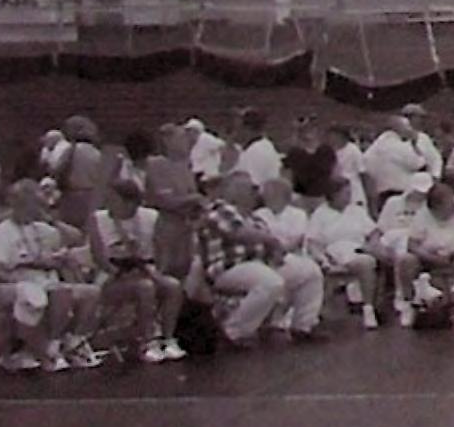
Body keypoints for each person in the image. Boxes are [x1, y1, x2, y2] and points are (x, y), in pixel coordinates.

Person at [194, 172, 326, 347]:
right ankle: (234, 332)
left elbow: (270, 244)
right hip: (229, 267)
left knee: (308, 271)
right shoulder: (219, 210)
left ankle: (303, 326)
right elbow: (239, 233)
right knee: (270, 281)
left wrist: (276, 252)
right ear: (233, 190)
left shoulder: (255, 218)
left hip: (260, 264)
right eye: (250, 188)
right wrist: (270, 241)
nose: (255, 192)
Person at [0, 179, 102, 372]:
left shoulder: (39, 228)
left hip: (47, 278)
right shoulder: (3, 231)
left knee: (91, 292)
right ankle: (51, 349)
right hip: (24, 281)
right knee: (59, 293)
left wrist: (51, 220)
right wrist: (29, 268)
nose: (34, 208)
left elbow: (76, 237)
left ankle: (72, 342)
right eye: (31, 203)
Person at [86, 179, 186, 363]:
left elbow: (163, 249)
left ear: (129, 202)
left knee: (173, 286)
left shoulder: (151, 217)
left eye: (114, 199)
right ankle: (147, 341)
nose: (109, 203)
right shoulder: (98, 220)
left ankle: (168, 339)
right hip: (114, 272)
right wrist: (118, 273)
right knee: (144, 287)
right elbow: (99, 257)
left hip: (144, 266)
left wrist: (159, 271)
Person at [307, 178, 383, 329]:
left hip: (358, 249)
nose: (348, 196)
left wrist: (372, 244)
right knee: (365, 262)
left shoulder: (357, 211)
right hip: (333, 252)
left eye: (349, 193)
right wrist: (322, 259)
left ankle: (369, 309)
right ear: (333, 194)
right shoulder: (320, 214)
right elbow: (313, 242)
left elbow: (374, 231)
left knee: (372, 260)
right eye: (345, 193)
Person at [406, 182, 454, 327]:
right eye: (449, 204)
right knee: (406, 259)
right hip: (428, 258)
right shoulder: (422, 215)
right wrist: (429, 256)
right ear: (436, 206)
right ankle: (409, 303)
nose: (453, 206)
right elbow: (412, 245)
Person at [144, 124, 204, 280]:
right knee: (165, 270)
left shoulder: (186, 165)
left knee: (186, 269)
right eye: (182, 138)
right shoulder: (156, 164)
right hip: (167, 226)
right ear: (168, 141)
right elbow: (165, 200)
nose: (187, 142)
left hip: (187, 227)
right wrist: (194, 199)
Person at [377, 172, 434, 327]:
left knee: (406, 247)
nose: (420, 194)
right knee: (402, 241)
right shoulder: (393, 203)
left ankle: (405, 294)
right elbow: (382, 228)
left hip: (418, 242)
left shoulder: (429, 206)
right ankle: (406, 292)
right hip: (392, 239)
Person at [55, 115, 107, 231]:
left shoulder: (71, 151)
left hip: (71, 196)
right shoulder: (98, 153)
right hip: (92, 195)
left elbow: (58, 169)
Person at [364, 115, 429, 207]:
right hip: (399, 192)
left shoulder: (375, 146)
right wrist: (415, 144)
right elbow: (418, 163)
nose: (410, 129)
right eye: (407, 126)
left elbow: (366, 165)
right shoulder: (399, 146)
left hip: (380, 193)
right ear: (399, 128)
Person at [282, 116, 337, 211]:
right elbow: (287, 175)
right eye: (305, 129)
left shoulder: (326, 152)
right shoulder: (295, 153)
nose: (309, 132)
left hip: (321, 197)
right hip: (300, 198)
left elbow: (332, 174)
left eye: (312, 128)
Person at [232, 108, 283, 188]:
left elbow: (252, 186)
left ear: (247, 127)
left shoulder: (258, 151)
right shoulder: (256, 147)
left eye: (238, 126)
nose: (235, 131)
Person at [327, 124, 369, 209]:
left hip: (354, 191)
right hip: (337, 192)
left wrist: (368, 193)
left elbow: (362, 172)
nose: (331, 139)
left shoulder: (353, 150)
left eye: (334, 136)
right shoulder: (329, 151)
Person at [400, 103, 446, 178]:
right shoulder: (394, 136)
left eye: (423, 118)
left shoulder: (424, 138)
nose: (422, 121)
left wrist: (435, 175)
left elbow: (435, 158)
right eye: (419, 117)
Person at [184, 118, 227, 182]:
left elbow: (222, 145)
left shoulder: (205, 138)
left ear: (196, 130)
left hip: (209, 175)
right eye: (187, 130)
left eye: (189, 130)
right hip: (198, 175)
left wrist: (220, 162)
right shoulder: (193, 143)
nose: (187, 133)